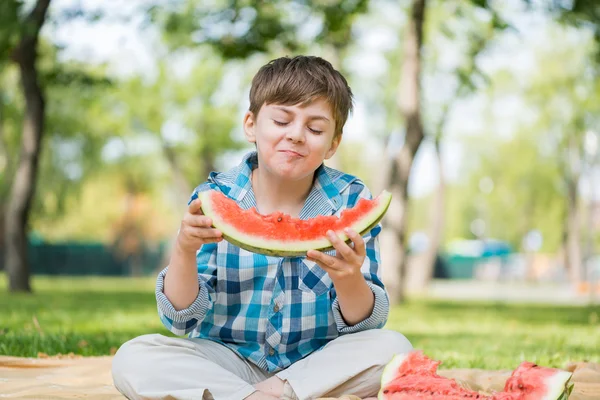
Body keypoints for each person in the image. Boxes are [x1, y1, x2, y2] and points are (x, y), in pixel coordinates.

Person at [112, 55, 412, 400]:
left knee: (393, 349)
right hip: (227, 360)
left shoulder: (351, 199)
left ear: (333, 143)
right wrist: (184, 249)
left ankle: (256, 395)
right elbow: (182, 320)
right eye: (282, 120)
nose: (296, 135)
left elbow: (366, 325)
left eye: (314, 129)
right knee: (133, 358)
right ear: (251, 125)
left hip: (314, 365)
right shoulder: (214, 196)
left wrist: (348, 279)